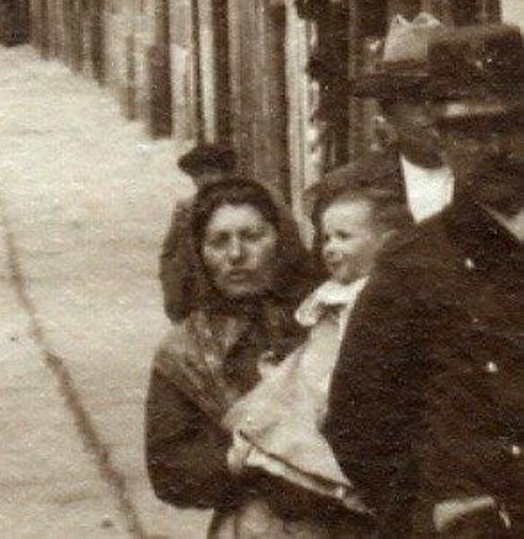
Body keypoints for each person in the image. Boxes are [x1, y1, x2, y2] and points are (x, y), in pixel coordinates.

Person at [324, 22, 524, 538]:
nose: (495, 148)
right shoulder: (412, 265)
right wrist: (432, 511)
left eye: (511, 125)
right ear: (441, 138)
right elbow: (357, 426)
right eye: (469, 132)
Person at [145, 176, 347, 536]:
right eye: (219, 242)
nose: (236, 254)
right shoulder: (186, 350)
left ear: (281, 241)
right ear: (199, 253)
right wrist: (244, 459)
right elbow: (169, 471)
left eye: (252, 236)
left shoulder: (331, 316)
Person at [224, 183, 410, 521]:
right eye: (325, 238)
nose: (330, 248)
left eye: (344, 237)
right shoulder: (334, 293)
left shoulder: (377, 297)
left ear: (387, 243)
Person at [311, 13, 453, 222]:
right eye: (416, 100)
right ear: (388, 110)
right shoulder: (347, 188)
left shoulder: (488, 180)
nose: (434, 112)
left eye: (445, 98)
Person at [159, 143, 241, 322]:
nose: (204, 180)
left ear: (226, 173)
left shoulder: (248, 206)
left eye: (211, 172)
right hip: (199, 302)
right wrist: (174, 300)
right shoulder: (185, 210)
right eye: (198, 174)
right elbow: (169, 257)